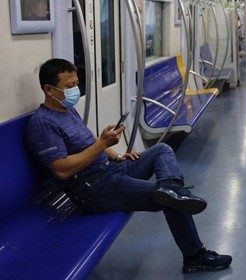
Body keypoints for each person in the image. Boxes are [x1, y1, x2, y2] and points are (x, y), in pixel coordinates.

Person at [25, 58, 232, 274]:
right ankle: (195, 256)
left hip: (109, 170)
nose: (75, 90)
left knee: (161, 151)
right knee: (172, 201)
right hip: (91, 188)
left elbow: (88, 141)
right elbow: (61, 169)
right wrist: (102, 143)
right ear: (49, 90)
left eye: (77, 84)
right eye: (69, 86)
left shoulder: (67, 111)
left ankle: (171, 188)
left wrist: (116, 156)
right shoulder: (42, 123)